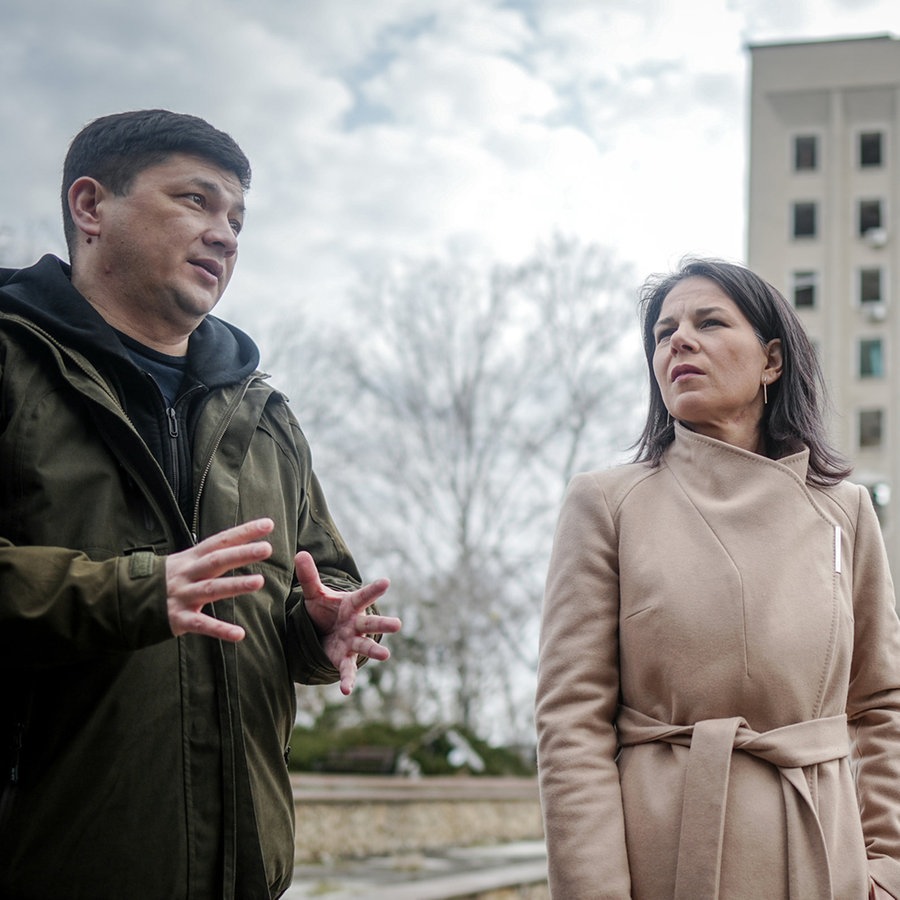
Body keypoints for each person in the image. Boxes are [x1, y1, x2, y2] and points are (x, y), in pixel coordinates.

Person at [0, 109, 402, 900]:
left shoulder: (266, 417)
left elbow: (311, 593)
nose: (225, 235)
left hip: (244, 874)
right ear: (91, 207)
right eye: (195, 201)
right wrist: (135, 590)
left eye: (237, 219)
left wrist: (322, 634)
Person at [535, 258, 900, 899]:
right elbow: (572, 722)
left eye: (709, 321)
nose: (678, 340)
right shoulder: (606, 503)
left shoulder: (847, 511)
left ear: (772, 361)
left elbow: (882, 706)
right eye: (662, 331)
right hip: (665, 862)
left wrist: (886, 872)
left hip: (824, 862)